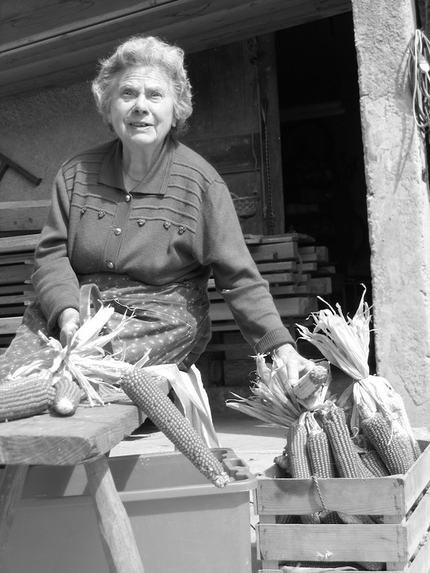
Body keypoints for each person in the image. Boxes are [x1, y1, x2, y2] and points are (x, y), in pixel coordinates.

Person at [2, 35, 311, 387]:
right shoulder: (76, 173)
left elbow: (239, 278)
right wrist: (67, 310)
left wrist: (282, 348)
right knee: (16, 381)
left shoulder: (201, 185)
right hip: (75, 308)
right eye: (128, 94)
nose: (140, 107)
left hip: (157, 317)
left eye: (155, 95)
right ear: (108, 107)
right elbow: (52, 254)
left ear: (175, 109)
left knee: (79, 376)